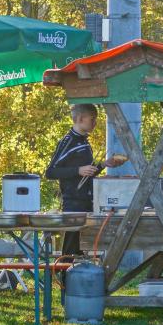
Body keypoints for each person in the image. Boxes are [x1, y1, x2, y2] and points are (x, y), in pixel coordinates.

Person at [45, 104, 123, 276]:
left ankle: (78, 286)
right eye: (92, 119)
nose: (95, 123)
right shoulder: (68, 141)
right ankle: (65, 285)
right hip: (73, 203)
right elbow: (50, 171)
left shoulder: (84, 142)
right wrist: (77, 170)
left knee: (82, 250)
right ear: (80, 119)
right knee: (70, 251)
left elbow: (87, 174)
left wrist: (103, 164)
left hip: (87, 201)